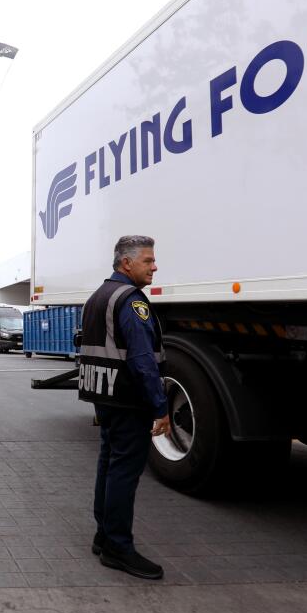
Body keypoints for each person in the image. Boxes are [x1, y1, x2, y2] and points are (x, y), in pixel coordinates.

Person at [77, 234, 171, 580]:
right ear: (126, 263)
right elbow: (143, 360)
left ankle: (104, 535)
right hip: (129, 400)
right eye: (148, 260)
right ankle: (118, 546)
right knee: (123, 471)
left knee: (109, 464)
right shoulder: (132, 301)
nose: (154, 266)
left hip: (105, 396)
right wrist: (160, 407)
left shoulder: (98, 296)